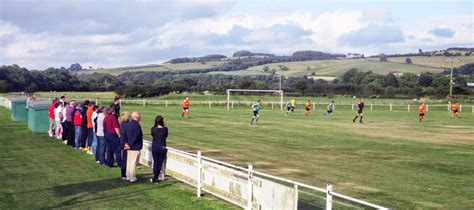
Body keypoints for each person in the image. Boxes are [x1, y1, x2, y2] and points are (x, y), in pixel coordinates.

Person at [124, 112, 143, 183]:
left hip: (129, 146)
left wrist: (126, 143)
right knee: (133, 163)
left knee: (129, 162)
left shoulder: (129, 124)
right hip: (135, 146)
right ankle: (132, 177)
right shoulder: (137, 125)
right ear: (137, 117)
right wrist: (130, 144)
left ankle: (128, 175)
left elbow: (125, 134)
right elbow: (136, 137)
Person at [150, 115, 168, 183]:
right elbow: (165, 136)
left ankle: (155, 177)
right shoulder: (165, 129)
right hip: (162, 147)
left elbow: (153, 135)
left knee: (156, 163)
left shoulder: (153, 129)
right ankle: (155, 177)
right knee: (159, 163)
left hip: (155, 147)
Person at [119, 112, 131, 180]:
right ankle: (125, 174)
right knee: (125, 159)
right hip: (125, 142)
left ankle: (124, 173)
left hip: (123, 141)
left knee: (124, 158)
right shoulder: (126, 124)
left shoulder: (122, 123)